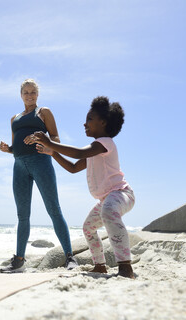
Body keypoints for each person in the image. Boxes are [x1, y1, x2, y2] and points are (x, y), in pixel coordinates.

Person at [28, 96, 136, 279]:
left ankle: (125, 266)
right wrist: (52, 152)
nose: (84, 123)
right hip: (107, 199)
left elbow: (79, 152)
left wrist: (50, 143)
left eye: (89, 119)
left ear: (103, 122)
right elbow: (72, 168)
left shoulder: (105, 143)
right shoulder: (94, 150)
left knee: (109, 211)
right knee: (88, 227)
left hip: (122, 194)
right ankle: (100, 265)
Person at [0, 79, 78, 273]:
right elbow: (15, 147)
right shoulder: (14, 118)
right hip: (19, 166)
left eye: (33, 92)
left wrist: (40, 138)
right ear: (20, 95)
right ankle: (19, 260)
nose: (29, 95)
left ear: (38, 94)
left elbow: (56, 139)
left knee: (53, 209)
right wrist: (7, 149)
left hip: (41, 162)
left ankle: (70, 257)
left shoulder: (44, 112)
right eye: (25, 92)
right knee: (22, 215)